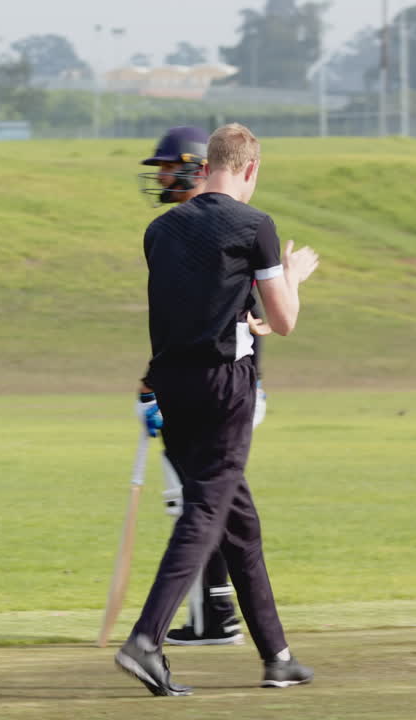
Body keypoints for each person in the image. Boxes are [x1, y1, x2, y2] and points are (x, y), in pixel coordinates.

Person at [116, 124, 319, 695]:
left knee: (237, 521)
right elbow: (285, 322)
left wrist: (240, 319)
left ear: (208, 166)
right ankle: (146, 641)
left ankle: (277, 654)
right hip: (224, 386)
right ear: (250, 169)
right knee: (205, 510)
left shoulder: (160, 229)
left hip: (170, 386)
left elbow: (198, 302)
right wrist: (295, 277)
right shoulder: (255, 225)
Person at [136, 126, 272, 647]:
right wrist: (151, 383)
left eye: (170, 168)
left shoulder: (236, 227)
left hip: (228, 387)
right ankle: (232, 624)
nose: (164, 178)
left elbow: (256, 317)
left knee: (198, 504)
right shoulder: (171, 232)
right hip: (195, 383)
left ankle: (193, 622)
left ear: (199, 167)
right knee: (224, 509)